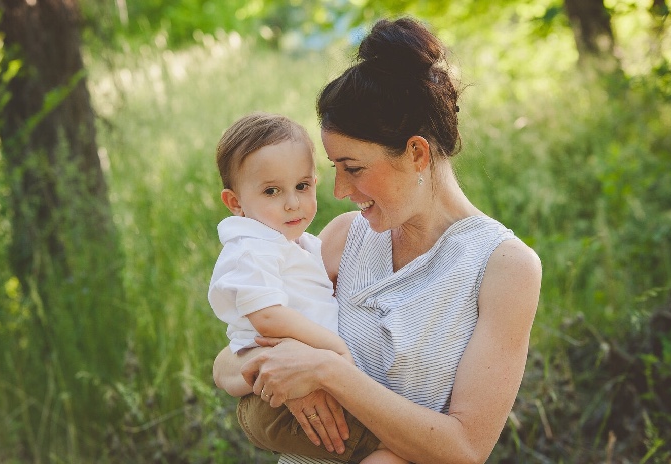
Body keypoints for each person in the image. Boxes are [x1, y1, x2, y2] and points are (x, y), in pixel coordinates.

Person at [214, 17, 542, 464]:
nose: (339, 191)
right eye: (334, 169)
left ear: (416, 153)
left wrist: (326, 370)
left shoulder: (504, 267)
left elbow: (465, 449)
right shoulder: (342, 238)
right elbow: (228, 361)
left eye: (353, 168)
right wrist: (276, 369)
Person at [209, 112, 407, 463]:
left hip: (282, 387)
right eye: (271, 191)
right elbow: (267, 317)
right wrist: (334, 351)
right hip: (277, 401)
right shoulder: (252, 248)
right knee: (400, 445)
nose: (292, 203)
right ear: (235, 203)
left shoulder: (297, 244)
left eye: (302, 186)